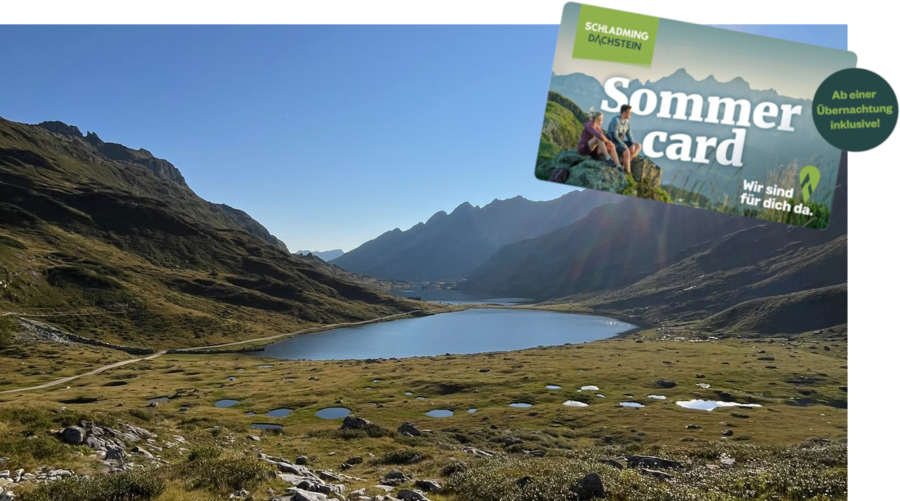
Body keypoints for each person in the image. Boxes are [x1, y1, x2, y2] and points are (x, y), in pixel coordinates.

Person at [608, 104, 642, 174]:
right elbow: (614, 136)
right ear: (624, 112)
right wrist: (624, 145)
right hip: (613, 141)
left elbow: (629, 135)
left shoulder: (627, 122)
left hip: (620, 141)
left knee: (638, 145)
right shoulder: (616, 120)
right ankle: (628, 173)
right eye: (629, 112)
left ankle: (626, 163)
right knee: (626, 152)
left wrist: (633, 144)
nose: (631, 114)